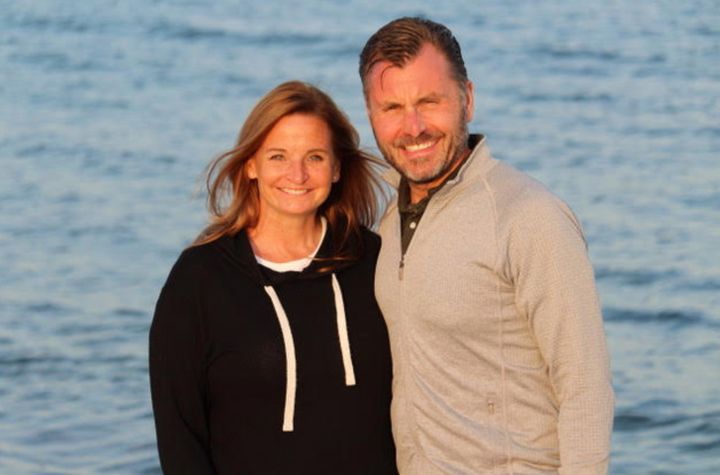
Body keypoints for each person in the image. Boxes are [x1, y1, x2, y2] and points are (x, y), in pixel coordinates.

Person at [359, 17, 614, 474]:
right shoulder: (388, 219)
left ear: (467, 99)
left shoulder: (529, 216)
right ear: (371, 115)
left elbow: (585, 387)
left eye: (429, 102)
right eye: (392, 107)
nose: (413, 127)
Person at [149, 81, 397, 474]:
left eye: (314, 157)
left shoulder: (374, 261)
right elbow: (181, 438)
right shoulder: (201, 279)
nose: (296, 174)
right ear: (251, 164)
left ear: (336, 168)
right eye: (278, 156)